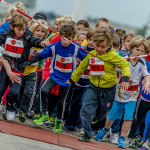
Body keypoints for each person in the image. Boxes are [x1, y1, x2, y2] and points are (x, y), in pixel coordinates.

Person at [68, 28, 131, 142]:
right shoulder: (92, 54)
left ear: (109, 45)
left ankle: (97, 118)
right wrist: (73, 79)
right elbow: (82, 66)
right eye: (97, 46)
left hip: (108, 89)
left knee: (101, 113)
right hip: (93, 87)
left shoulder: (114, 56)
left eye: (103, 47)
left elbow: (125, 65)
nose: (99, 49)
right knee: (85, 109)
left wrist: (125, 79)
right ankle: (86, 134)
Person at [20, 24, 85, 133]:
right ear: (60, 36)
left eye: (69, 39)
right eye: (64, 38)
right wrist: (28, 62)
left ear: (72, 39)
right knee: (44, 90)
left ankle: (58, 121)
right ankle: (45, 114)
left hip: (67, 79)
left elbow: (87, 59)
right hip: (54, 75)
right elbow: (40, 56)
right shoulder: (54, 46)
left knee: (60, 102)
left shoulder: (76, 48)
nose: (65, 41)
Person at [95, 36, 150, 149]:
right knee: (112, 116)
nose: (139, 52)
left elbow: (146, 76)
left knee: (128, 118)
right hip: (119, 95)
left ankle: (122, 138)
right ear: (132, 48)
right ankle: (105, 129)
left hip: (132, 96)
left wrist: (147, 84)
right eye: (137, 50)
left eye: (142, 51)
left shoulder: (142, 63)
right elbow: (114, 69)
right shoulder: (124, 60)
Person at [0, 14, 49, 120]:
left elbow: (35, 41)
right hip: (6, 66)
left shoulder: (27, 36)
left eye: (23, 29)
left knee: (15, 92)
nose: (21, 32)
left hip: (19, 69)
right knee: (1, 89)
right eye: (19, 29)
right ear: (12, 27)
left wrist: (42, 42)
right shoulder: (6, 34)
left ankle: (11, 108)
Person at [18, 19, 49, 122]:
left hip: (32, 72)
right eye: (38, 30)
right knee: (18, 90)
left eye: (42, 31)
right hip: (20, 69)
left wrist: (41, 64)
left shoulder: (44, 45)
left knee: (30, 91)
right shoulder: (27, 40)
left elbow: (41, 56)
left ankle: (23, 110)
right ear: (32, 30)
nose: (40, 33)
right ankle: (13, 107)